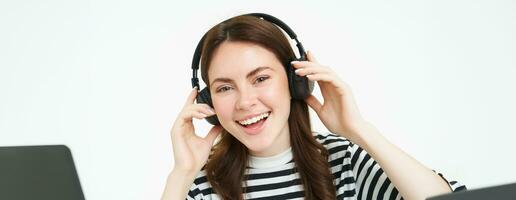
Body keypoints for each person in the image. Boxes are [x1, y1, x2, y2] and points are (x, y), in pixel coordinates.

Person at [162, 13, 466, 200]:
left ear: (297, 80)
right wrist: (181, 175)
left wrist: (360, 131)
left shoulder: (344, 161)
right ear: (208, 101)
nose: (244, 102)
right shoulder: (198, 185)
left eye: (260, 78)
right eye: (225, 87)